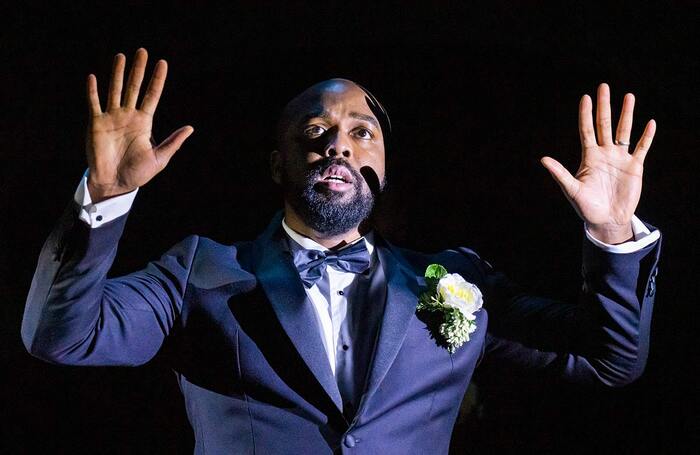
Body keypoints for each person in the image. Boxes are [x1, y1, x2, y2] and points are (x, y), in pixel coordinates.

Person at [22, 48, 661, 454]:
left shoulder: (445, 285)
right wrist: (102, 201)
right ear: (279, 163)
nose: (339, 146)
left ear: (382, 164)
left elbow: (608, 361)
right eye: (316, 132)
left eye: (361, 132)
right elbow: (64, 338)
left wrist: (612, 237)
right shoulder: (203, 270)